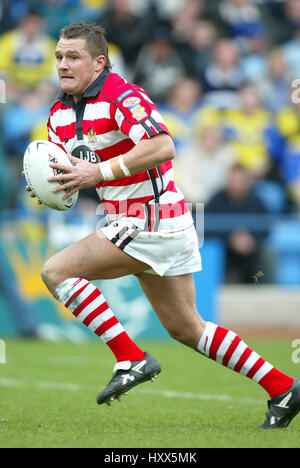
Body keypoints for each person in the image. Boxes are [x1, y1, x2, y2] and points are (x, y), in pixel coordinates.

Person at [24, 22, 300, 428]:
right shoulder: (58, 114)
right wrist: (52, 188)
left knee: (56, 270)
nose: (63, 64)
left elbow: (162, 145)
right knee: (187, 328)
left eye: (73, 57)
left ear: (99, 63)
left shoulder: (122, 94)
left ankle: (130, 357)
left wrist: (97, 174)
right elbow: (75, 176)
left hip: (153, 218)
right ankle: (284, 387)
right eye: (59, 57)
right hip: (131, 220)